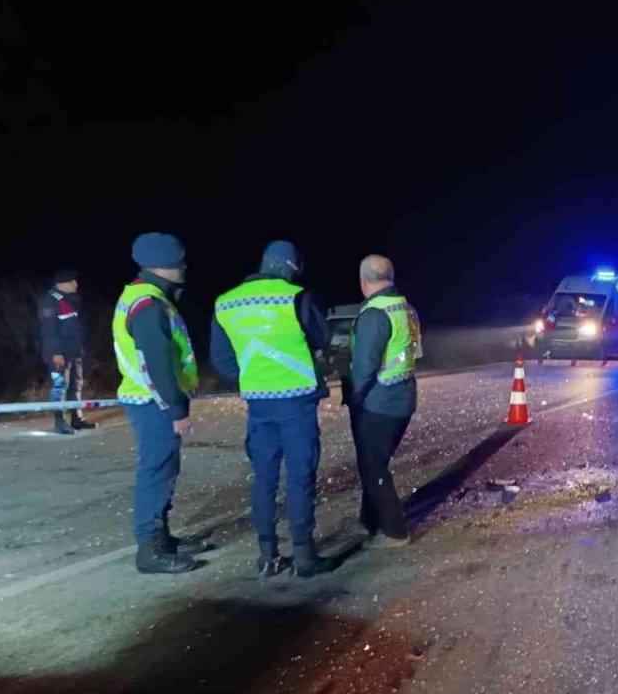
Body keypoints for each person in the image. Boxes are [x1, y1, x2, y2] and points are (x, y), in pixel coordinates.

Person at [211, 240, 335, 577]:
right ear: (292, 267)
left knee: (263, 477)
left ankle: (267, 555)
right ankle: (305, 557)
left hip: (258, 403)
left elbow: (222, 361)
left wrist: (255, 377)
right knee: (299, 477)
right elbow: (323, 338)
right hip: (296, 402)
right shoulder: (297, 297)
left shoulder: (226, 302)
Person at [112, 233, 206, 573]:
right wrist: (176, 409)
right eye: (178, 262)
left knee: (164, 467)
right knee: (156, 469)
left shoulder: (144, 295)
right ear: (163, 265)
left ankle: (162, 537)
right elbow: (156, 361)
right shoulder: (149, 305)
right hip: (152, 402)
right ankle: (150, 549)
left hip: (150, 400)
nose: (184, 267)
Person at [345, 254, 420, 548]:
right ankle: (370, 520)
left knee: (373, 466)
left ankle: (394, 531)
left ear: (364, 281)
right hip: (404, 395)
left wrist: (355, 397)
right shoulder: (406, 308)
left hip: (379, 402)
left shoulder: (374, 313)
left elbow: (364, 367)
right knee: (375, 461)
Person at [38, 268, 97, 434]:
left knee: (76, 385)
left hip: (74, 351)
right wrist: (55, 353)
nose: (75, 284)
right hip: (58, 354)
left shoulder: (70, 299)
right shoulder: (50, 301)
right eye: (72, 281)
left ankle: (77, 419)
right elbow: (48, 330)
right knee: (59, 387)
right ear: (61, 284)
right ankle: (59, 422)